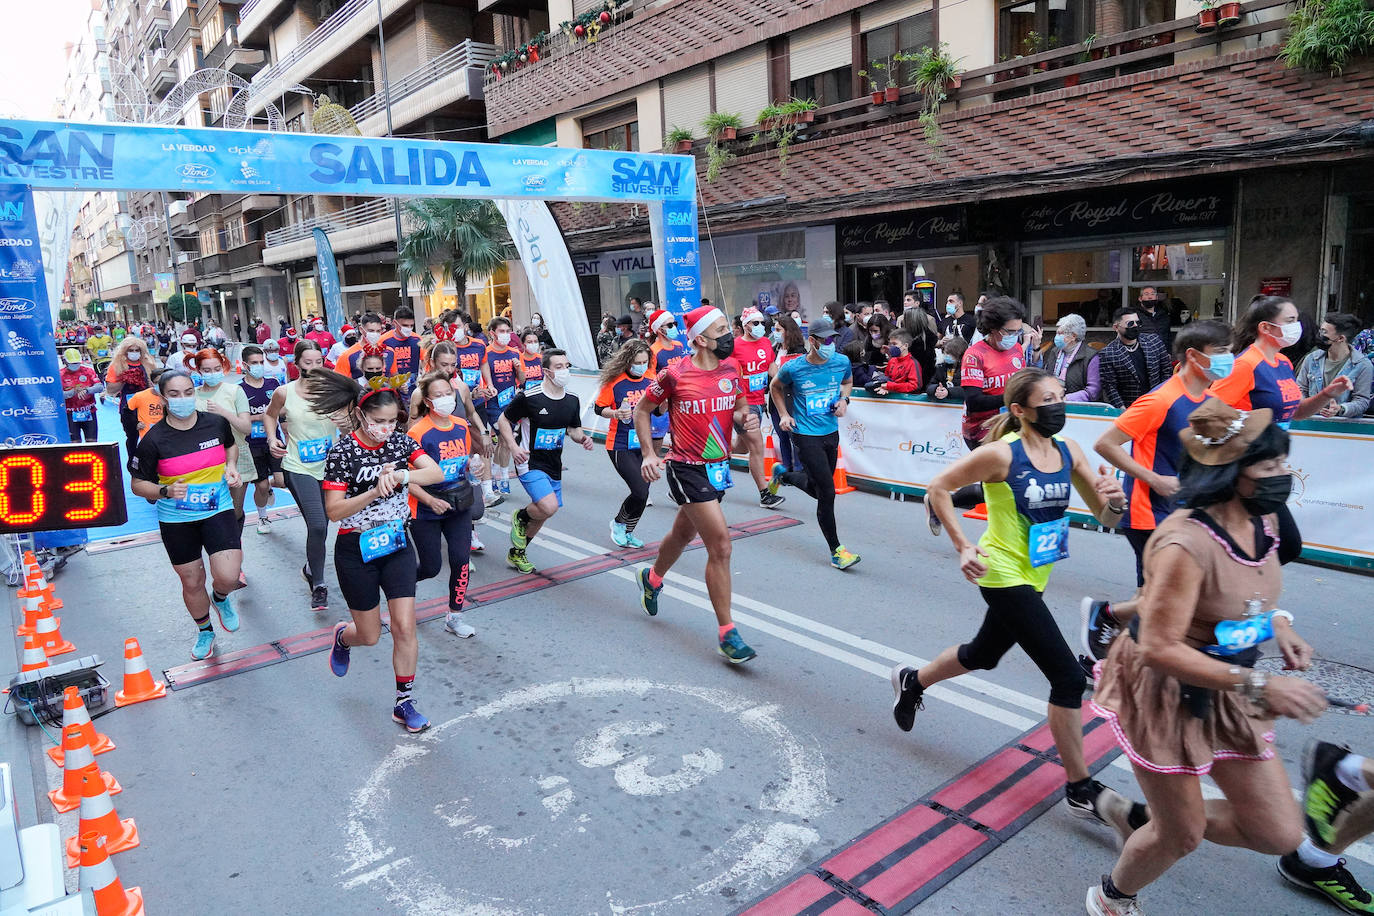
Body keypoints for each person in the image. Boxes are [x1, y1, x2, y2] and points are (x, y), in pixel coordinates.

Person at [1084, 399, 1362, 916]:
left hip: (1228, 682)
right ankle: (1113, 898)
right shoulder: (1184, 543)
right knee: (1181, 836)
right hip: (1165, 687)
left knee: (1277, 832)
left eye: (1284, 463)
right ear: (1231, 472)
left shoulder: (1267, 519)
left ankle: (1151, 815)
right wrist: (1262, 686)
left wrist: (1279, 626)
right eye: (1270, 466)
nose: (1284, 475)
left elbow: (1247, 593)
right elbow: (1159, 646)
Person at [894, 367, 1141, 838]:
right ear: (1019, 410)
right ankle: (1080, 788)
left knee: (983, 654)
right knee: (1068, 676)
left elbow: (1106, 516)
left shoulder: (1069, 451)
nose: (1058, 405)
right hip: (1001, 571)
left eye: (1061, 396)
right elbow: (938, 489)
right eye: (1046, 399)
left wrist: (1116, 501)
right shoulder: (999, 456)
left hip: (1038, 571)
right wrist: (963, 545)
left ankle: (913, 681)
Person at [1086, 320, 1235, 664]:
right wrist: (1154, 479)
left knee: (1158, 597)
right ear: (1195, 356)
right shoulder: (1160, 399)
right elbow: (1105, 444)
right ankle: (1107, 624)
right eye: (1223, 352)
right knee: (1160, 597)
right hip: (1148, 512)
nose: (1231, 359)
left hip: (1185, 513)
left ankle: (1104, 653)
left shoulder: (1211, 398)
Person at [311, 373, 446, 734]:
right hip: (356, 547)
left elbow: (433, 472)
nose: (385, 429)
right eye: (378, 421)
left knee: (404, 626)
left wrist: (402, 476)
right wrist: (374, 490)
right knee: (369, 636)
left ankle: (404, 702)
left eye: (392, 421)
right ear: (359, 415)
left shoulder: (401, 444)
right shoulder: (342, 452)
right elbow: (334, 511)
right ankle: (343, 636)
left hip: (396, 543)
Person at [633, 305, 759, 664]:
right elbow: (643, 410)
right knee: (720, 545)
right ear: (701, 339)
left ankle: (652, 578)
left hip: (718, 466)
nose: (729, 335)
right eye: (722, 330)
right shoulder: (675, 374)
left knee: (682, 534)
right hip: (686, 468)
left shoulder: (732, 367)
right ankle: (727, 634)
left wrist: (743, 421)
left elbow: (738, 405)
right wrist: (647, 454)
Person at [130, 370, 245, 661]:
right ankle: (205, 630)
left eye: (188, 392)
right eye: (174, 394)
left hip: (217, 508)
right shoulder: (153, 440)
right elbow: (137, 485)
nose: (183, 399)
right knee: (192, 582)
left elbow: (230, 446)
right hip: (177, 520)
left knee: (229, 576)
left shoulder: (215, 423)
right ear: (162, 398)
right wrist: (165, 492)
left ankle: (220, 598)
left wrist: (231, 467)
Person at [767, 316, 860, 569]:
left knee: (819, 488)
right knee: (827, 493)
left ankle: (783, 476)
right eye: (826, 339)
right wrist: (785, 415)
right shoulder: (794, 368)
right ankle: (837, 551)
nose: (831, 343)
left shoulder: (841, 361)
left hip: (830, 432)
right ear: (812, 341)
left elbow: (848, 382)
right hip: (805, 434)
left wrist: (844, 401)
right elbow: (775, 387)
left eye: (834, 339)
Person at [499, 349, 593, 573]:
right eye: (559, 367)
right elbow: (504, 420)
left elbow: (574, 429)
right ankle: (521, 517)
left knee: (546, 511)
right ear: (546, 372)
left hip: (553, 463)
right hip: (529, 461)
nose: (565, 371)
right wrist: (513, 447)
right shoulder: (530, 397)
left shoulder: (572, 399)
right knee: (547, 505)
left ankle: (517, 553)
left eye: (567, 366)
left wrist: (583, 439)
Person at [408, 371, 483, 639]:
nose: (445, 399)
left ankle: (455, 615)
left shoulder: (461, 425)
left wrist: (473, 467)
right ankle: (403, 587)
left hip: (458, 503)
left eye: (448, 394)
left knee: (462, 560)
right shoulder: (418, 433)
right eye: (438, 395)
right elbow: (407, 480)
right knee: (430, 567)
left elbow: (464, 464)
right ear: (428, 401)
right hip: (426, 508)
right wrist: (429, 500)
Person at [265, 340, 338, 614]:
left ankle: (310, 568)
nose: (314, 367)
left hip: (329, 467)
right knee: (318, 525)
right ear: (296, 365)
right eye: (308, 363)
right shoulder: (284, 392)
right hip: (298, 467)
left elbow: (350, 418)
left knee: (323, 522)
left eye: (318, 362)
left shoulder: (333, 391)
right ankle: (319, 584)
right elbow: (269, 415)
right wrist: (273, 439)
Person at [1210, 295, 1353, 426]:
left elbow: (1296, 412)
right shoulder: (1245, 365)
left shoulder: (1283, 362)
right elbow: (1210, 414)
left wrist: (1326, 394)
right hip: (1248, 451)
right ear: (1265, 327)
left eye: (1297, 320)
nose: (1297, 326)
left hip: (1273, 450)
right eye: (1290, 320)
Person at [595, 340, 655, 548]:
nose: (641, 366)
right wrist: (616, 413)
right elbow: (598, 408)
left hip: (644, 444)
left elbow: (658, 411)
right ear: (628, 362)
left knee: (644, 493)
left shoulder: (651, 379)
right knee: (638, 490)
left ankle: (628, 532)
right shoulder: (615, 382)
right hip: (620, 444)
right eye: (637, 362)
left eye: (645, 361)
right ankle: (619, 523)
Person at [192, 348, 257, 537]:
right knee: (211, 513)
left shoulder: (235, 391)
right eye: (207, 369)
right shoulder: (191, 395)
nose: (212, 373)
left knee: (234, 513)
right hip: (204, 462)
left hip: (236, 456)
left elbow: (246, 428)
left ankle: (234, 555)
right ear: (198, 371)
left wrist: (223, 412)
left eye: (216, 368)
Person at [960, 296, 1029, 451]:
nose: (1015, 336)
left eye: (1018, 331)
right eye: (1010, 331)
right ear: (993, 328)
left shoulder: (1017, 349)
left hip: (1011, 425)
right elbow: (974, 402)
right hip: (982, 431)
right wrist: (1011, 399)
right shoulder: (975, 355)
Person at [732, 306, 784, 510]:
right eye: (756, 323)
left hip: (759, 401)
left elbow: (771, 369)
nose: (761, 326)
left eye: (763, 323)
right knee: (756, 446)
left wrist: (786, 379)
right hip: (742, 404)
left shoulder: (765, 342)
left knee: (743, 447)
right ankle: (765, 493)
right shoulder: (735, 346)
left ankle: (707, 454)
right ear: (745, 325)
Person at [238, 345, 283, 535]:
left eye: (261, 362)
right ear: (245, 365)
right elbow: (240, 418)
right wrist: (261, 417)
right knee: (262, 485)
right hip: (252, 444)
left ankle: (267, 489)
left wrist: (272, 417)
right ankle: (262, 516)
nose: (259, 366)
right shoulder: (239, 390)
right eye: (254, 363)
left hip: (274, 441)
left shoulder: (273, 384)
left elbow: (282, 411)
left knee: (282, 480)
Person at [1295, 313, 1371, 419]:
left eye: (1324, 332)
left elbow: (1362, 401)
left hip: (1343, 427)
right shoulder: (1312, 359)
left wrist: (1340, 409)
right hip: (1311, 422)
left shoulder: (1362, 365)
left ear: (1340, 338)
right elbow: (1300, 388)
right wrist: (1308, 405)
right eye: (1320, 330)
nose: (1320, 335)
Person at [481, 316, 523, 498]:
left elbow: (522, 380)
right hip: (492, 405)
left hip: (510, 403)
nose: (506, 335)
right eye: (502, 331)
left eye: (508, 331)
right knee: (505, 439)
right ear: (492, 333)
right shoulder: (486, 353)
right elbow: (482, 377)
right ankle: (503, 478)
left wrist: (519, 368)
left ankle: (497, 473)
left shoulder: (514, 353)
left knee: (504, 442)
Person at [1098, 307, 1171, 409]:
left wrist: (1164, 397)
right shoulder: (1108, 353)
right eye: (1130, 324)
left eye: (1138, 322)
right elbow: (1110, 387)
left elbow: (1166, 371)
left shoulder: (1154, 341)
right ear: (1116, 327)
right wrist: (1122, 409)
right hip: (1130, 408)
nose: (1135, 326)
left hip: (1158, 402)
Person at [104, 337, 158, 469]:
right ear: (125, 351)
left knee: (152, 435)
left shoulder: (148, 363)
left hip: (148, 405)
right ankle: (133, 462)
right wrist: (124, 379)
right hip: (128, 408)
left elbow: (157, 384)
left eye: (137, 350)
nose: (134, 352)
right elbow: (110, 390)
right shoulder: (116, 366)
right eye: (131, 350)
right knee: (132, 436)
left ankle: (153, 463)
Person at [766, 315, 807, 474]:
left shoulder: (799, 351)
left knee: (794, 436)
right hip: (775, 399)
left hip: (791, 399)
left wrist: (778, 374)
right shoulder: (774, 349)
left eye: (778, 330)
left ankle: (799, 468)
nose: (775, 333)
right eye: (774, 330)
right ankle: (786, 468)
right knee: (781, 435)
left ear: (788, 332)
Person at [1045, 313, 1102, 402]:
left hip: (1080, 408)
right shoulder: (1054, 352)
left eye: (1060, 334)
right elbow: (1046, 376)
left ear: (1073, 336)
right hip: (1054, 403)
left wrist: (1065, 399)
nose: (1056, 337)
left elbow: (1093, 391)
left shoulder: (1091, 356)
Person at [334, 313, 395, 381]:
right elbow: (339, 384)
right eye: (371, 331)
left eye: (378, 331)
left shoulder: (389, 352)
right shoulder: (347, 356)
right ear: (361, 329)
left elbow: (393, 377)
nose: (375, 334)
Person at [60, 348, 101, 443]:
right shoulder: (60, 374)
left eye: (77, 363)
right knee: (75, 444)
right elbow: (58, 395)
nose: (75, 365)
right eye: (72, 363)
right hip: (70, 413)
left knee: (92, 442)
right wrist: (73, 392)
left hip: (89, 412)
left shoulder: (88, 371)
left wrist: (87, 390)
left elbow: (100, 387)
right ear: (65, 361)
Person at [382, 307, 421, 396]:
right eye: (405, 325)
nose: (409, 328)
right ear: (395, 323)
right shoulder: (383, 341)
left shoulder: (417, 340)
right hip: (390, 387)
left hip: (412, 387)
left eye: (411, 325)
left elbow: (424, 363)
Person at [874, 330, 921, 396]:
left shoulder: (913, 363)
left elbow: (915, 386)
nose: (891, 347)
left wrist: (890, 386)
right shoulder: (892, 360)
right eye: (890, 344)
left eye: (894, 344)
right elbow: (886, 379)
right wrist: (885, 387)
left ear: (905, 346)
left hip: (906, 402)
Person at [927, 336, 967, 403]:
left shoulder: (966, 369)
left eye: (949, 354)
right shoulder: (941, 367)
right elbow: (930, 386)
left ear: (959, 355)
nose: (946, 355)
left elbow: (968, 389)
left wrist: (948, 392)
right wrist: (936, 389)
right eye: (945, 353)